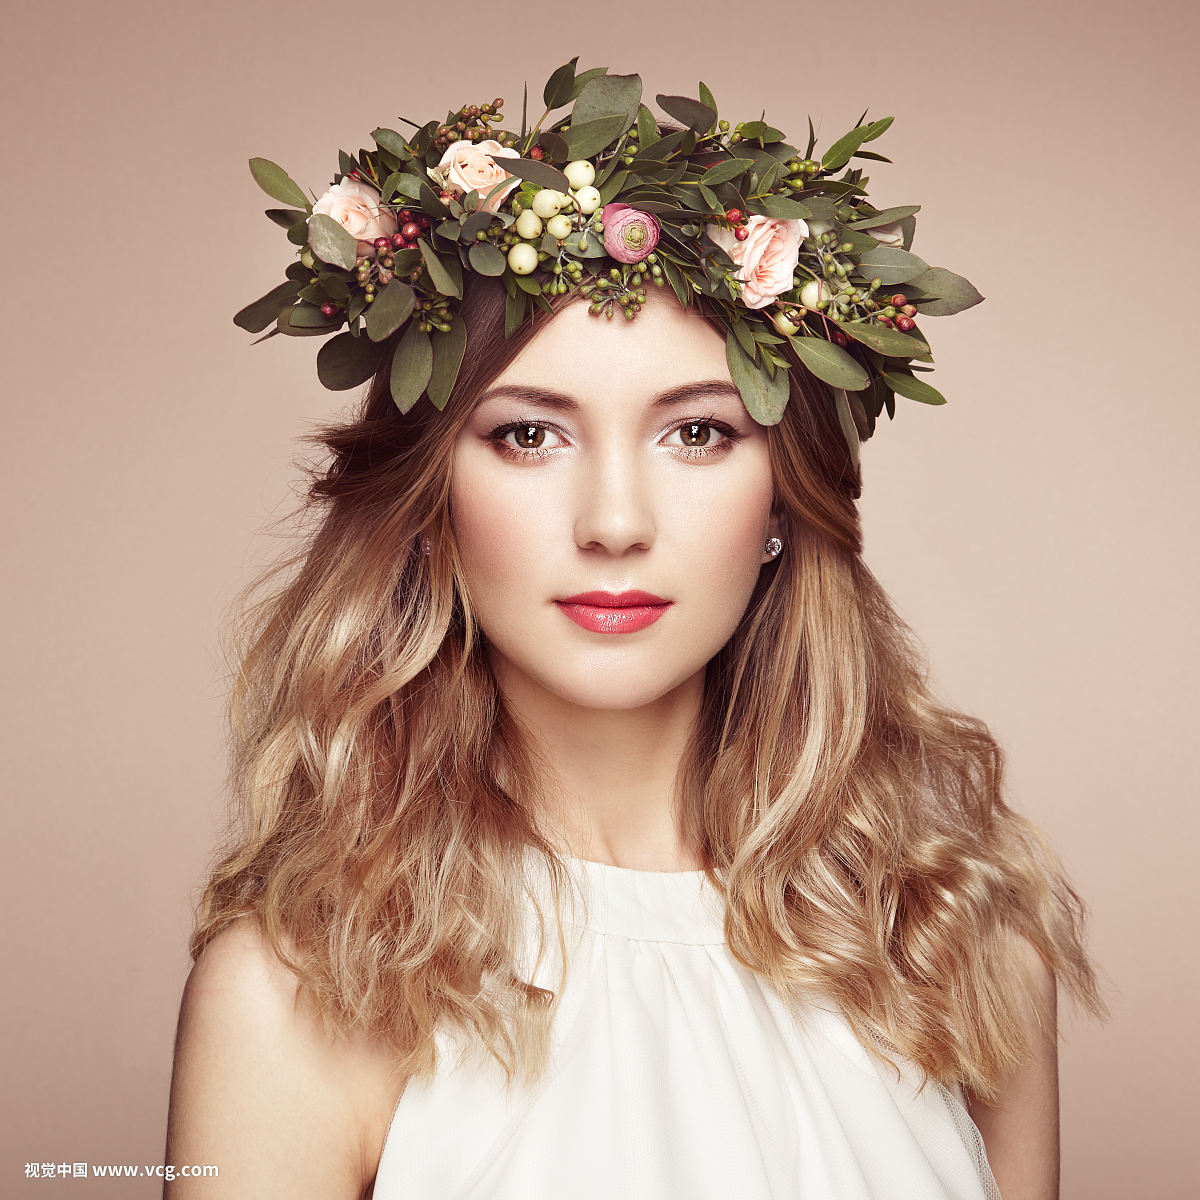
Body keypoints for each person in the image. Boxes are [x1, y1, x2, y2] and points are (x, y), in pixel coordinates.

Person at [165, 67, 1099, 1200]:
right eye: (527, 438)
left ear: (783, 504)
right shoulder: (302, 992)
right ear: (432, 505)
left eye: (697, 433)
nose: (615, 523)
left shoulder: (959, 943)